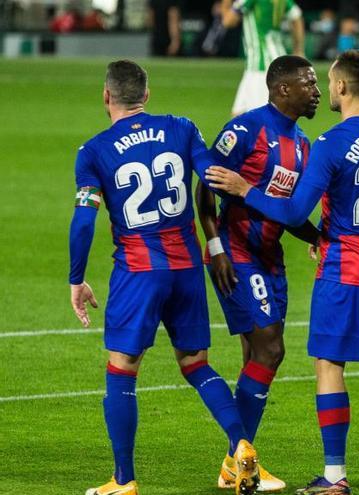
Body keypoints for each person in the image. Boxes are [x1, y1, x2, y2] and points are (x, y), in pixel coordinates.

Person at [206, 49, 359, 495]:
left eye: (325, 82)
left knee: (327, 365)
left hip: (347, 266)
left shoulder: (325, 143)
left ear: (342, 86)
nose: (322, 89)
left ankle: (333, 476)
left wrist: (247, 190)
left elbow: (296, 208)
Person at [69, 60, 259, 495]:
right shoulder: (181, 128)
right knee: (196, 364)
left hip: (138, 272)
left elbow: (84, 222)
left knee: (122, 370)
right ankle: (240, 442)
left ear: (106, 96)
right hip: (188, 269)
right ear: (146, 95)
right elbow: (212, 178)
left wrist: (77, 277)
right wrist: (217, 243)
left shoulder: (93, 151)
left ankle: (124, 480)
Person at [194, 54, 321, 493]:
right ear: (283, 89)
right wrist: (215, 247)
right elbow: (205, 187)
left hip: (270, 258)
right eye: (308, 83)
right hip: (235, 252)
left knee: (257, 355)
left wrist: (320, 239)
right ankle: (239, 452)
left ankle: (237, 463)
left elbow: (287, 212)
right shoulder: (245, 129)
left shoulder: (303, 144)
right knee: (270, 348)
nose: (317, 91)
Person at [219, 0, 306, 115]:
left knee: (261, 120)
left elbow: (228, 21)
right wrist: (298, 49)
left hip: (262, 64)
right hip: (268, 59)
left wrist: (226, 2)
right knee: (238, 116)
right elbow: (296, 16)